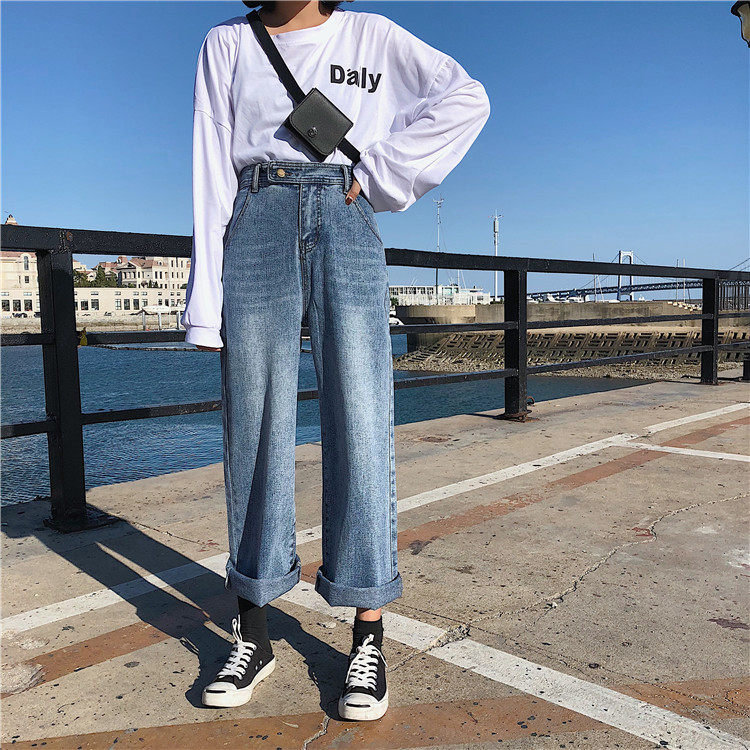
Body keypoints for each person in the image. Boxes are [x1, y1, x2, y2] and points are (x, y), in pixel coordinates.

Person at [182, 0, 490, 721]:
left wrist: (381, 172)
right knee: (255, 423)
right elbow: (210, 164)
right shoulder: (226, 43)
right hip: (256, 212)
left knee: (362, 419)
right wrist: (204, 303)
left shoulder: (371, 34)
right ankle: (253, 630)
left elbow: (466, 98)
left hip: (345, 209)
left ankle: (367, 634)